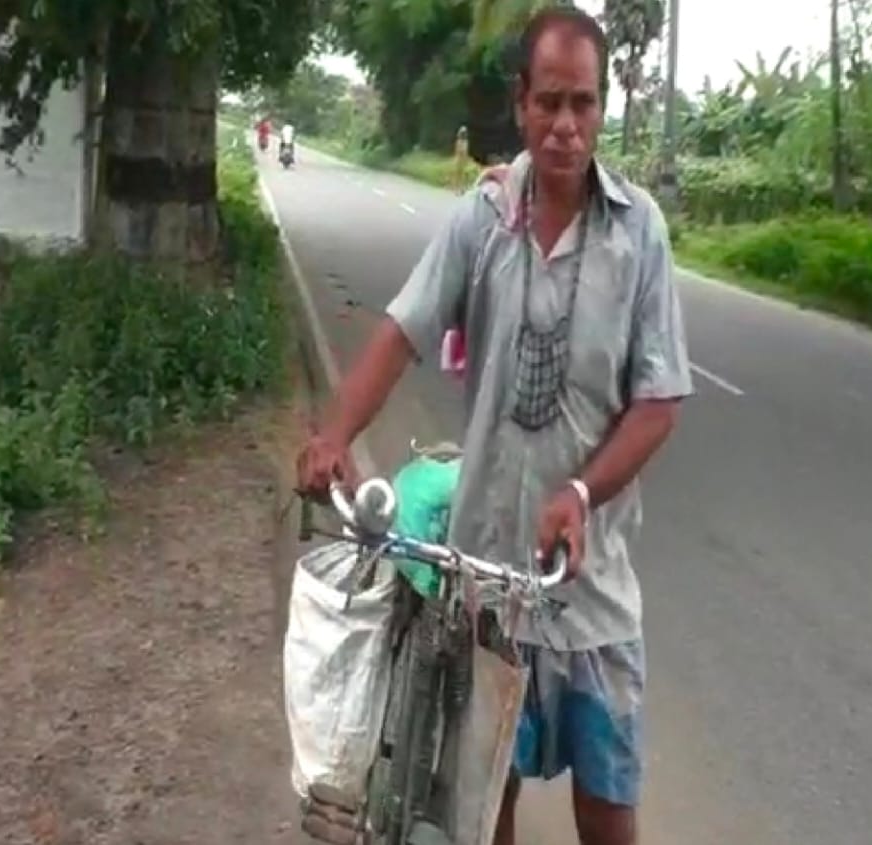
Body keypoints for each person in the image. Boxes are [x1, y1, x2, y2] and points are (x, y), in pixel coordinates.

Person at [295, 7, 692, 845]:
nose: (565, 126)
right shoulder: (482, 220)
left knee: (608, 812)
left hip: (589, 595)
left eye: (582, 104)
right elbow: (402, 330)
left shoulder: (638, 233)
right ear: (520, 103)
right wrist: (334, 436)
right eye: (549, 102)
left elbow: (658, 402)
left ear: (602, 109)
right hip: (484, 587)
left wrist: (582, 492)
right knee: (482, 806)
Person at [452, 125, 470, 194]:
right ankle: (456, 188)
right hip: (459, 159)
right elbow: (457, 151)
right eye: (463, 133)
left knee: (463, 174)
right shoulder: (459, 141)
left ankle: (462, 188)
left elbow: (466, 152)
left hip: (463, 160)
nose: (464, 134)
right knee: (457, 174)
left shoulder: (466, 142)